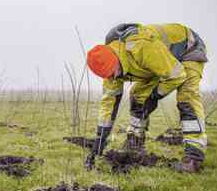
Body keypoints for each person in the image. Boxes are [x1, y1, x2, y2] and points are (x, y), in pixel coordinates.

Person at [86, 23, 208, 173]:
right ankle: (135, 143)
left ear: (116, 59)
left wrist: (155, 96)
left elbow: (177, 75)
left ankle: (193, 157)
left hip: (187, 50)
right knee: (137, 96)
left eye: (114, 72)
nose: (114, 78)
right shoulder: (109, 69)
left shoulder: (140, 47)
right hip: (157, 65)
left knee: (186, 98)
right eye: (109, 76)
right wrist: (100, 139)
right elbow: (108, 104)